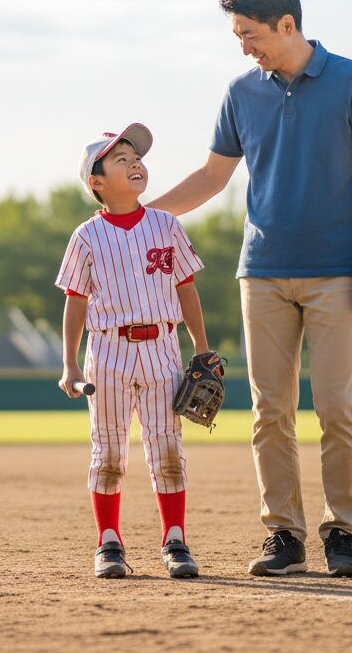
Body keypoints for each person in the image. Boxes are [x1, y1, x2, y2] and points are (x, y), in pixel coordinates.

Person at [148, 0, 352, 578]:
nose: (244, 47)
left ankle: (342, 533)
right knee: (270, 410)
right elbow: (211, 178)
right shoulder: (241, 92)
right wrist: (139, 217)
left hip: (339, 272)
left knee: (338, 406)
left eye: (250, 33)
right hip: (260, 274)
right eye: (237, 35)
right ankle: (284, 535)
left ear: (288, 25)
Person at [55, 122, 211, 579]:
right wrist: (68, 362)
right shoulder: (86, 236)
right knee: (108, 453)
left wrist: (201, 349)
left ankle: (175, 539)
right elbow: (75, 301)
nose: (135, 163)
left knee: (167, 448)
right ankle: (109, 543)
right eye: (121, 159)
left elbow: (186, 288)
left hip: (162, 347)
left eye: (136, 157)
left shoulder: (166, 225)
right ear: (97, 183)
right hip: (108, 351)